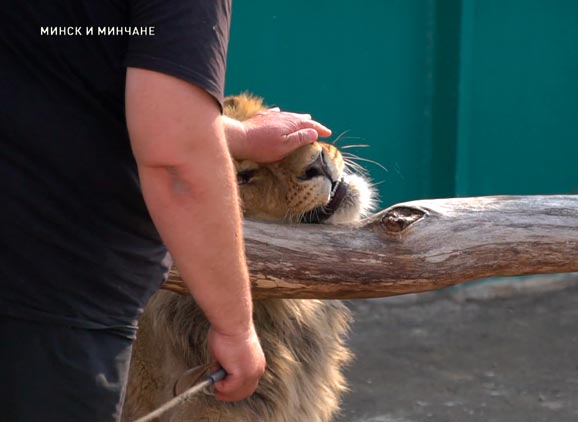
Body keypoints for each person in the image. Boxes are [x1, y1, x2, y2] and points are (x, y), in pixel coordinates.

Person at [0, 1, 331, 420]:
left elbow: (61, 70)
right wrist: (234, 327)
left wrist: (236, 134)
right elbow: (176, 162)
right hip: (51, 288)